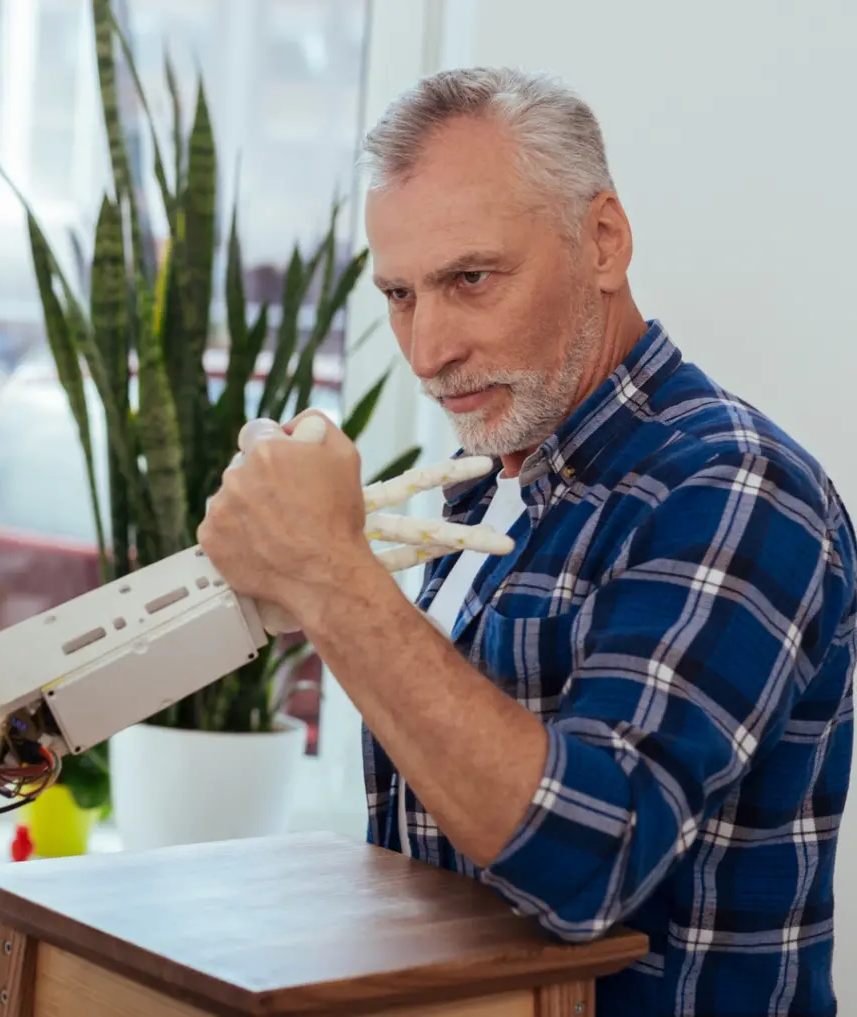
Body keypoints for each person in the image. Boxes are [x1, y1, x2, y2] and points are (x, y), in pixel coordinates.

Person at [198, 67, 856, 1017]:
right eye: (399, 295)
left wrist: (329, 574)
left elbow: (588, 861)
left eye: (470, 279)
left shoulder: (736, 485)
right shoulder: (484, 488)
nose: (428, 351)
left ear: (603, 241)